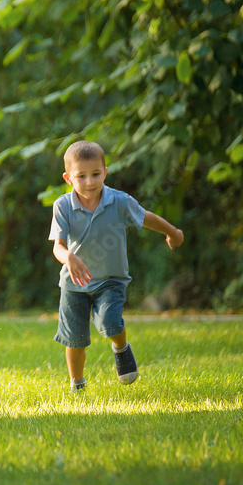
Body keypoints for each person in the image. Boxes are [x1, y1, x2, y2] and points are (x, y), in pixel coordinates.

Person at [49, 140, 183, 391]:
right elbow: (58, 246)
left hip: (111, 279)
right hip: (74, 282)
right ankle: (77, 384)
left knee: (110, 322)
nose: (90, 182)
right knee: (75, 339)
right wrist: (69, 257)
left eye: (96, 174)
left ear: (105, 172)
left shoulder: (119, 201)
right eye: (82, 176)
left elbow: (146, 218)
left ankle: (120, 347)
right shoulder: (63, 206)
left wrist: (172, 231)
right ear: (68, 178)